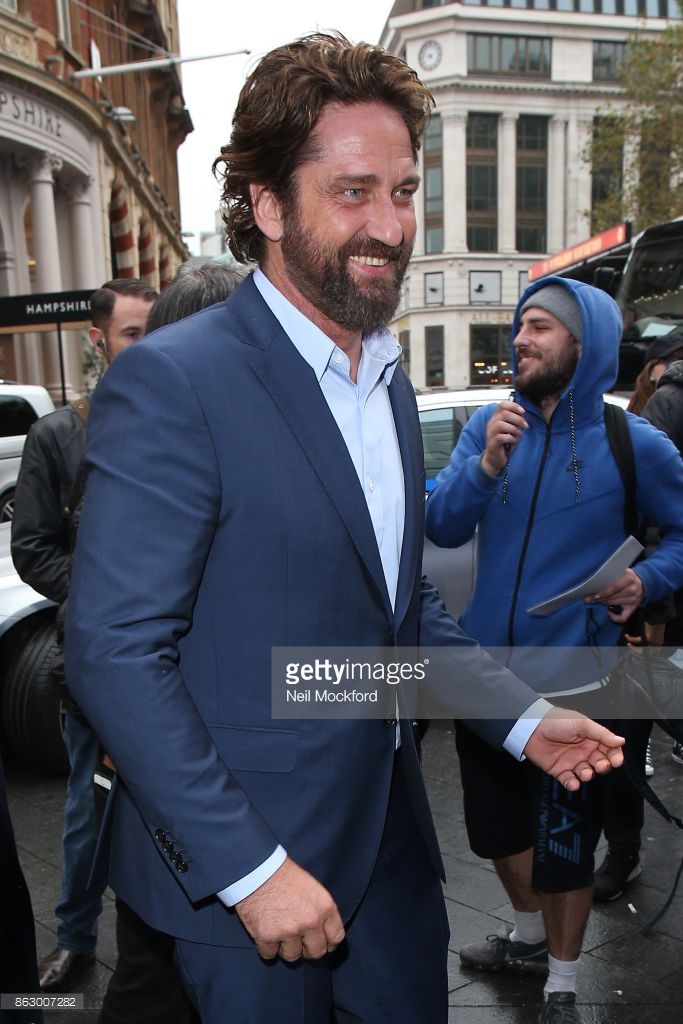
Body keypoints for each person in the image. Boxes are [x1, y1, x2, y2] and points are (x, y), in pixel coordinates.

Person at [64, 35, 624, 1024]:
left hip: (391, 853)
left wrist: (524, 721)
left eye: (402, 192)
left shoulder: (387, 383)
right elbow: (113, 652)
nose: (389, 226)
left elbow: (399, 614)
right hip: (248, 884)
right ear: (269, 206)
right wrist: (248, 868)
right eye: (352, 192)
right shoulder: (174, 381)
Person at [425, 279, 683, 1023]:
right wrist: (483, 469)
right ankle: (529, 936)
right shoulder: (489, 426)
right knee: (494, 833)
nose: (520, 339)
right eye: (519, 326)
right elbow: (441, 526)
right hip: (483, 676)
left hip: (581, 678)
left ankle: (563, 985)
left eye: (539, 327)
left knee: (565, 844)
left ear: (582, 342)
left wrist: (646, 579)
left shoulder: (632, 443)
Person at [97, 260, 244, 1024]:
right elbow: (114, 643)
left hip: (246, 815)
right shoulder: (149, 451)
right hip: (186, 813)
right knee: (151, 982)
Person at [11, 278, 157, 993]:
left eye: (157, 331)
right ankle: (74, 938)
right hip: (95, 661)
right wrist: (106, 592)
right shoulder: (59, 435)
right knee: (87, 808)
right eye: (133, 333)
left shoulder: (183, 416)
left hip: (177, 656)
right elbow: (32, 549)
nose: (148, 345)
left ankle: (163, 941)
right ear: (98, 342)